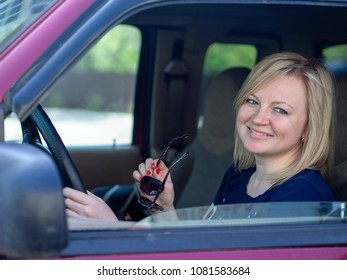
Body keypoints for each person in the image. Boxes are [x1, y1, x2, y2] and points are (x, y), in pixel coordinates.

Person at [63, 51, 336, 220]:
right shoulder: (238, 175)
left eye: (280, 110)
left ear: (309, 128)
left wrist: (110, 228)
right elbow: (201, 256)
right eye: (252, 101)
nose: (258, 118)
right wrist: (163, 209)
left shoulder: (302, 198)